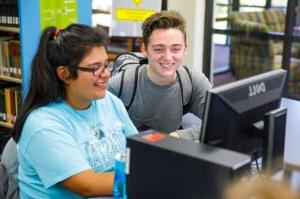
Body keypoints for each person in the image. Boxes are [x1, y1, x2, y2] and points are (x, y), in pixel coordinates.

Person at [11, 24, 138, 198]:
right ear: (64, 74)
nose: (106, 74)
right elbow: (88, 185)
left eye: (106, 64)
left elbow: (138, 150)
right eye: (95, 68)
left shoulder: (109, 101)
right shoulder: (42, 125)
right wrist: (150, 177)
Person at [109, 10, 211, 141]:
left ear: (185, 48)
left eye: (176, 49)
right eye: (158, 49)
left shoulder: (192, 81)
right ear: (144, 49)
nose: (168, 57)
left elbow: (220, 120)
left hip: (168, 152)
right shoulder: (121, 84)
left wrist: (177, 136)